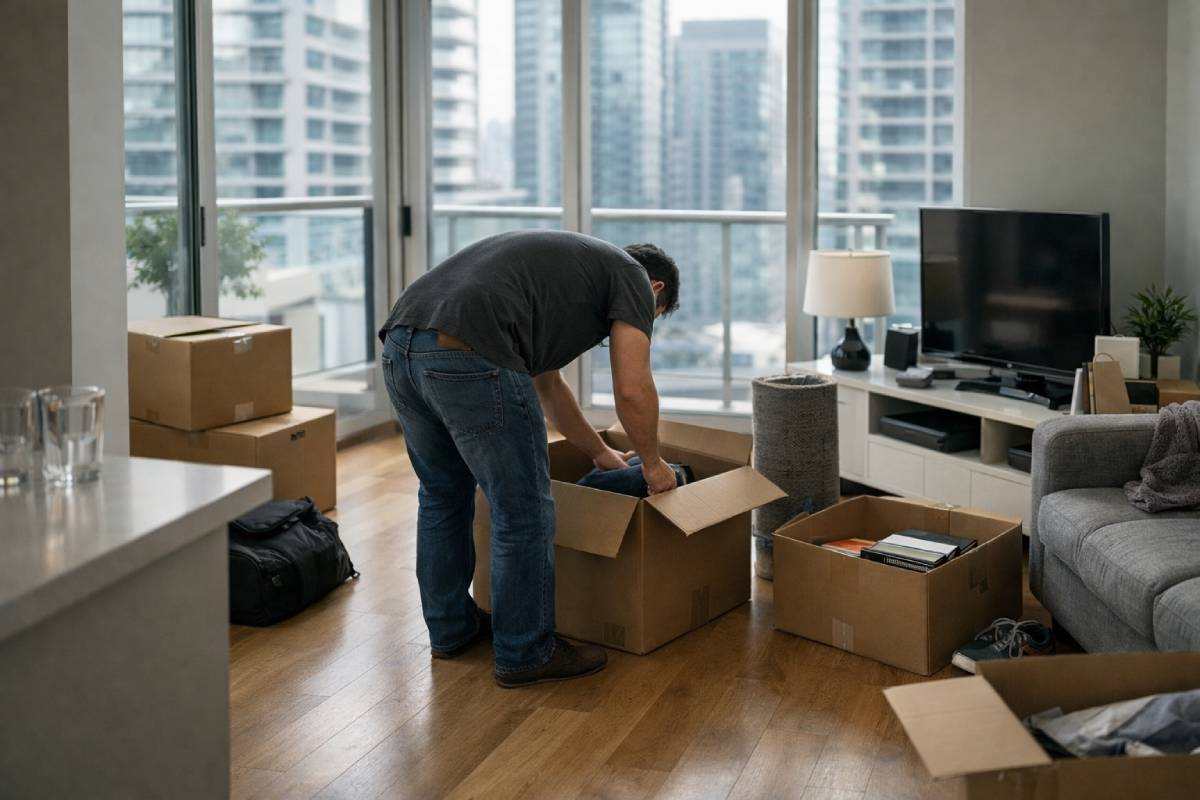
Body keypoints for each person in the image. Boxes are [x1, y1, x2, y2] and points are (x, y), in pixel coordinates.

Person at [377, 229, 681, 688]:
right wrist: (654, 466)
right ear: (655, 290)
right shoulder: (634, 278)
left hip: (401, 346)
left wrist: (599, 452)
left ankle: (451, 630)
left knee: (442, 495)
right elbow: (632, 388)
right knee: (522, 510)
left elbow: (549, 386)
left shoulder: (564, 275)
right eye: (651, 317)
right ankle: (526, 652)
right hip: (470, 355)